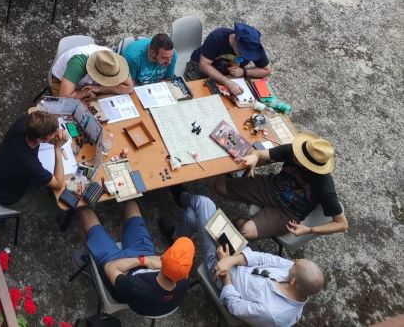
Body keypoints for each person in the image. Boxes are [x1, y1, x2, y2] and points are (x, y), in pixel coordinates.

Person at [175, 192, 324, 326]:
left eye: (295, 264)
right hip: (238, 256)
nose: (293, 262)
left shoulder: (272, 314)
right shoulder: (296, 274)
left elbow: (234, 306)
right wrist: (232, 260)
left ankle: (179, 195)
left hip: (222, 276)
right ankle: (176, 237)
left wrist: (225, 272)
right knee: (191, 215)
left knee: (204, 203)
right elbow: (264, 258)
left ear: (293, 282)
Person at [215, 134, 348, 241]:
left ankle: (239, 221)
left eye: (300, 158)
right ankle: (245, 221)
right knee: (219, 186)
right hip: (270, 187)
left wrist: (309, 230)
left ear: (310, 166)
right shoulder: (296, 150)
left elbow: (342, 224)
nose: (295, 155)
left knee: (246, 231)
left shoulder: (325, 186)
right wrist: (255, 156)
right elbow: (261, 153)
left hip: (288, 213)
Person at [79, 201, 194, 318]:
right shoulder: (183, 282)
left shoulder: (135, 287)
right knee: (131, 203)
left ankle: (89, 259)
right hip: (144, 258)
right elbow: (166, 267)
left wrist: (144, 261)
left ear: (163, 257)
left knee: (84, 211)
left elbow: (110, 267)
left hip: (118, 270)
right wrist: (149, 261)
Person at [0, 111, 66, 217]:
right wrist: (57, 148)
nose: (57, 133)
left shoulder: (25, 122)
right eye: (53, 133)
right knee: (56, 208)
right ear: (39, 140)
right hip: (5, 194)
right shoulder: (29, 162)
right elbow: (58, 183)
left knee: (41, 182)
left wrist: (52, 132)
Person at [184, 22, 272, 96]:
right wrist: (227, 82)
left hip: (226, 73)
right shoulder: (217, 37)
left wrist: (244, 72)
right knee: (192, 94)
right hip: (200, 68)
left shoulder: (253, 46)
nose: (245, 56)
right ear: (235, 40)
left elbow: (266, 70)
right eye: (242, 52)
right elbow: (204, 65)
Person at [50, 45, 133, 99]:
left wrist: (100, 88)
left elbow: (129, 88)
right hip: (62, 82)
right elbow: (65, 96)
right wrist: (86, 92)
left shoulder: (114, 63)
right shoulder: (78, 63)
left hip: (90, 85)